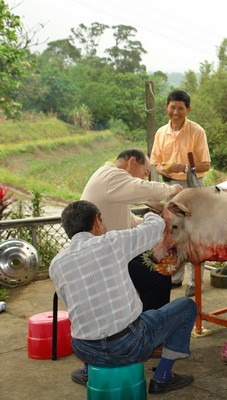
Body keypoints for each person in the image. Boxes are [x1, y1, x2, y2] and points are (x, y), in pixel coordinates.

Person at [50, 200, 197, 394]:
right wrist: (152, 213)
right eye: (102, 220)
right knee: (187, 306)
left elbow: (72, 304)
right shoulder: (111, 243)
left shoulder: (56, 264)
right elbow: (155, 228)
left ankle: (88, 371)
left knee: (90, 317)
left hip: (84, 349)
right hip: (129, 346)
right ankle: (163, 376)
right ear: (96, 222)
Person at [81, 149, 182, 312]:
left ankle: (143, 316)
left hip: (109, 251)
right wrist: (173, 189)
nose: (144, 178)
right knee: (157, 278)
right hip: (103, 258)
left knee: (154, 266)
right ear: (132, 162)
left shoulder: (109, 179)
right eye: (145, 173)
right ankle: (152, 324)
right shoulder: (112, 176)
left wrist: (159, 225)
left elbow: (130, 220)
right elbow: (144, 189)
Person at [151, 89, 211, 297]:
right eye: (172, 107)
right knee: (172, 231)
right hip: (170, 187)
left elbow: (206, 164)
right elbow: (156, 162)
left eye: (180, 108)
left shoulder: (197, 131)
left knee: (194, 232)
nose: (175, 112)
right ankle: (175, 276)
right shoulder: (161, 133)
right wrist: (164, 169)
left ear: (188, 109)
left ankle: (195, 280)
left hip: (192, 186)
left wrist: (184, 167)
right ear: (166, 107)